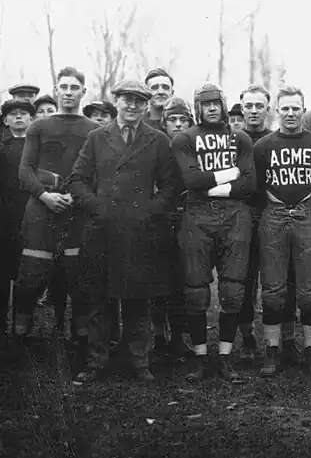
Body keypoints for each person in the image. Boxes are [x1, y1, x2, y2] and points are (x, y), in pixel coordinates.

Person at [71, 81, 178, 382]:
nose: (132, 106)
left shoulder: (157, 140)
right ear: (116, 101)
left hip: (140, 231)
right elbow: (77, 180)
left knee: (138, 301)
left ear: (146, 106)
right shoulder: (96, 137)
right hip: (103, 230)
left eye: (138, 101)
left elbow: (171, 186)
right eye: (126, 100)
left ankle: (139, 361)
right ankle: (96, 361)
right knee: (99, 301)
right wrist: (97, 206)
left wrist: (150, 210)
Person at [172, 83, 256, 382]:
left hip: (235, 216)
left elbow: (249, 184)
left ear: (223, 104)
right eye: (205, 103)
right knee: (195, 292)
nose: (211, 108)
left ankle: (224, 356)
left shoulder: (240, 138)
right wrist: (229, 174)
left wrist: (211, 186)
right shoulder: (185, 138)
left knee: (233, 291)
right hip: (197, 215)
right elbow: (191, 180)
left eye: (215, 103)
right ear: (197, 107)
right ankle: (200, 357)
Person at [12, 67, 98, 356]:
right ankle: (19, 338)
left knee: (80, 278)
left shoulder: (94, 130)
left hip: (77, 211)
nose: (69, 92)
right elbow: (25, 170)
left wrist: (78, 195)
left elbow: (98, 172)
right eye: (64, 87)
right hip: (41, 210)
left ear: (83, 92)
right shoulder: (39, 127)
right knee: (30, 277)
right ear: (56, 90)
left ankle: (81, 341)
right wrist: (44, 195)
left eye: (75, 87)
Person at [254, 84, 311, 377]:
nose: (290, 113)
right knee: (273, 290)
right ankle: (272, 351)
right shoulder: (263, 147)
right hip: (273, 216)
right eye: (285, 108)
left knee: (310, 292)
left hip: (307, 215)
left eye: (295, 108)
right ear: (277, 111)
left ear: (303, 110)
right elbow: (256, 189)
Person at [237, 84, 298, 365]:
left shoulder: (278, 139)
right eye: (248, 106)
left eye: (259, 106)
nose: (253, 111)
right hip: (245, 216)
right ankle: (247, 335)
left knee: (284, 278)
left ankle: (288, 338)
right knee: (245, 277)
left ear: (268, 108)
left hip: (278, 215)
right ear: (241, 108)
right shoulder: (234, 140)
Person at [151, 97, 194, 362]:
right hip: (158, 221)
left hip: (188, 221)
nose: (178, 125)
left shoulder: (196, 149)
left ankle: (178, 338)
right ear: (164, 123)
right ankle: (158, 338)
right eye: (172, 120)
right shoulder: (155, 147)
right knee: (157, 282)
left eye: (183, 120)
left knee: (182, 283)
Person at [0, 99, 35, 339]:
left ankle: (22, 327)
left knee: (27, 276)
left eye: (24, 113)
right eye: (13, 114)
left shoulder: (37, 147)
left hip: (30, 216)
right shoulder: (2, 148)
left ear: (32, 118)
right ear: (5, 120)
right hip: (4, 219)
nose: (19, 117)